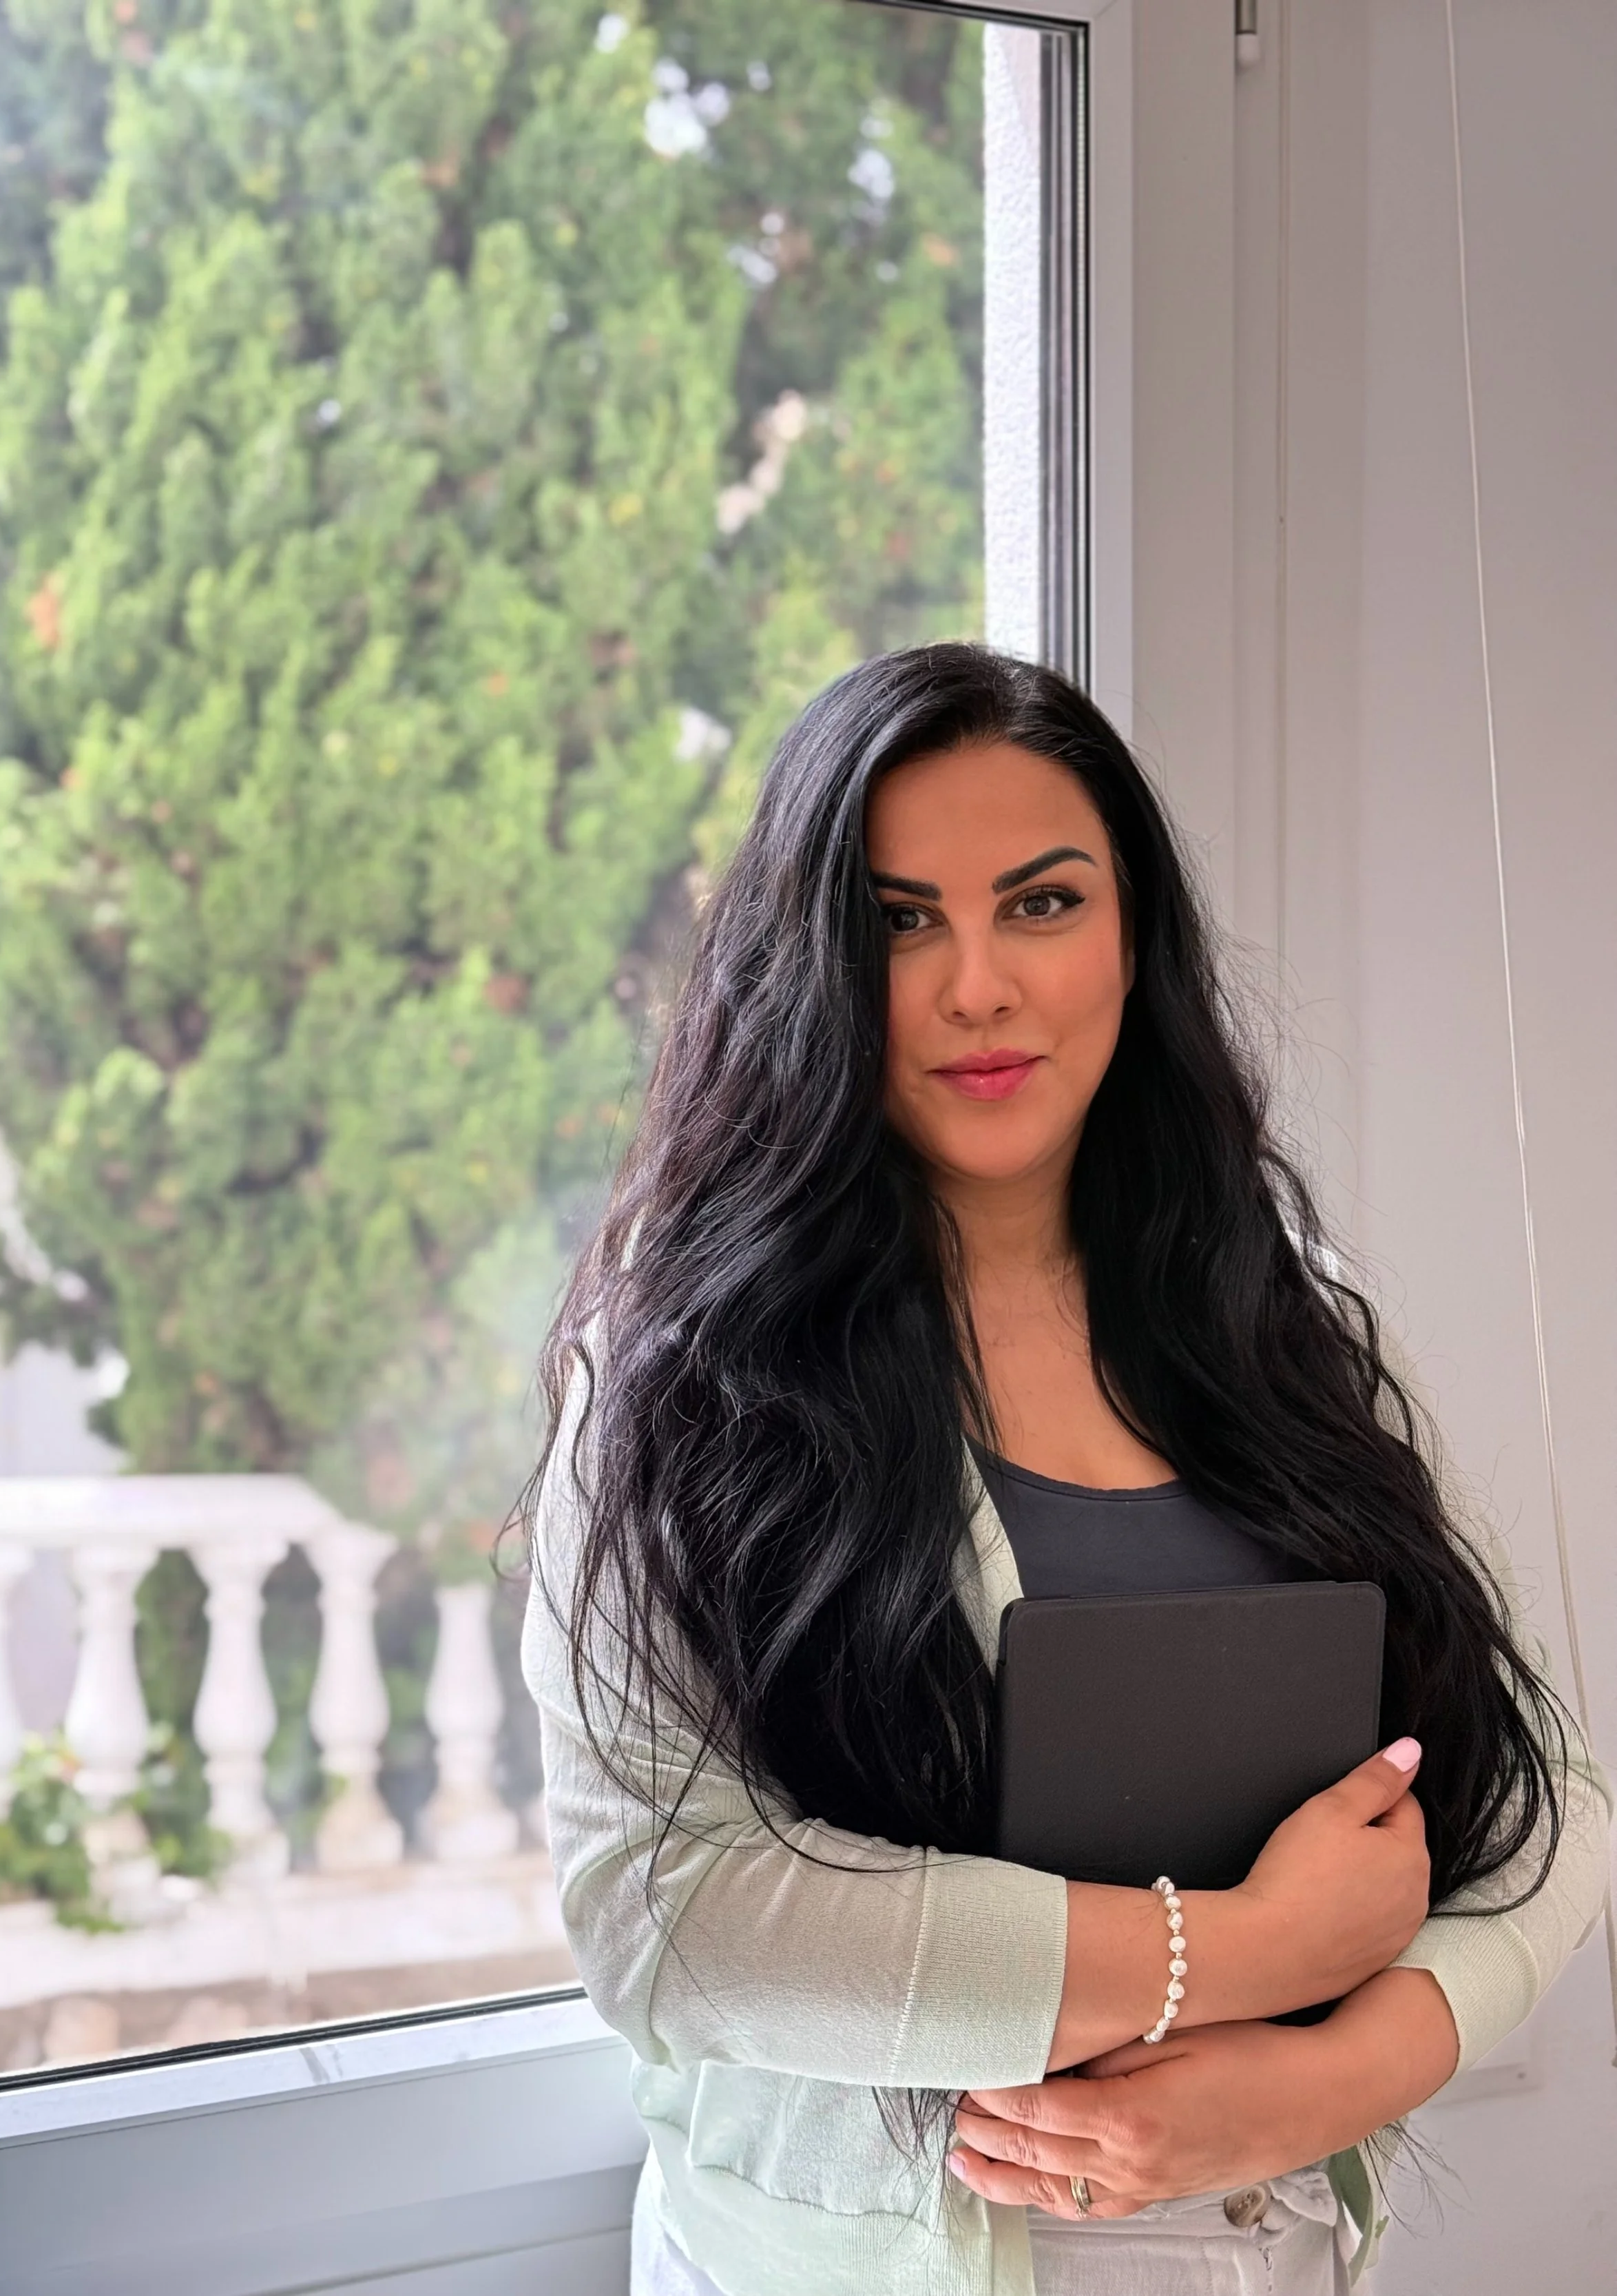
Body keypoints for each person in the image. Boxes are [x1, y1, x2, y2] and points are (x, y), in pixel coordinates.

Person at [519, 645, 1610, 2296]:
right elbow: (663, 1911)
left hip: (1261, 2245)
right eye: (897, 921)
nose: (977, 987)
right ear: (804, 968)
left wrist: (1332, 2070)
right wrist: (1229, 1955)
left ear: (1130, 939)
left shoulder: (1268, 1310)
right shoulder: (677, 1381)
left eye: (1039, 903)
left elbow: (1540, 1802)